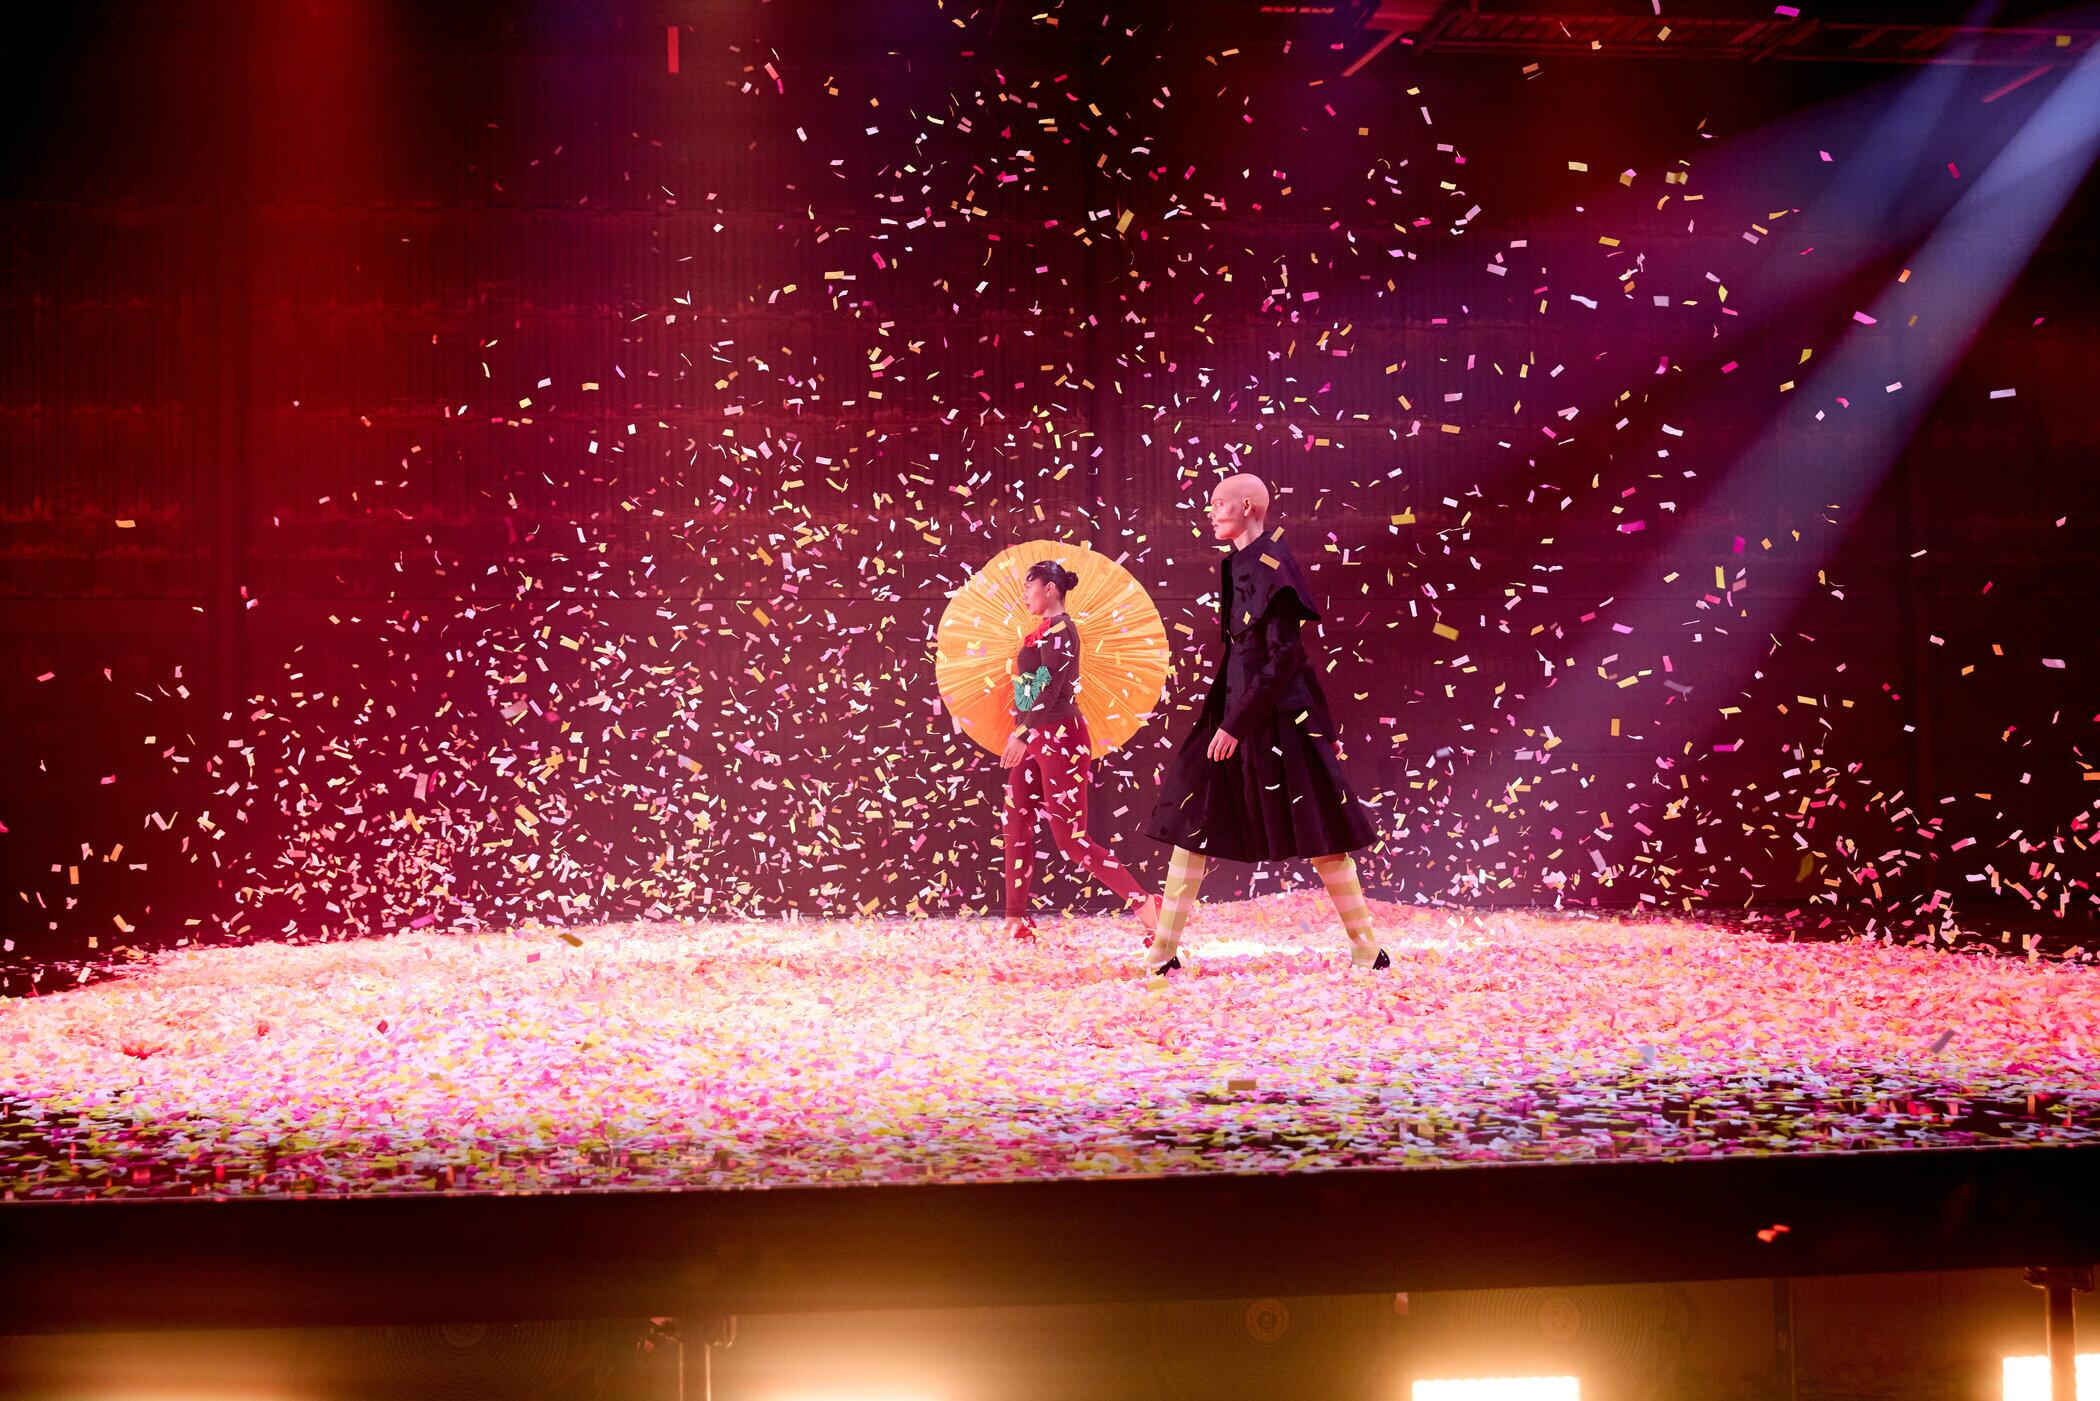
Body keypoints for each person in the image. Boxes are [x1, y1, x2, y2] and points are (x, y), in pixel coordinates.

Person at [1139, 474, 1389, 974]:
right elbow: (1242, 654)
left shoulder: (1275, 563)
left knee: (1322, 835)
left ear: (1248, 506)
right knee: (1192, 823)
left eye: (1219, 504)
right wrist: (1227, 719)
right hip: (1233, 714)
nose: (1211, 512)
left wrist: (1242, 723)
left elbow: (1286, 658)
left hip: (1277, 719)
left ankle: (1367, 949)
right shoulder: (1237, 562)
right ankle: (1163, 952)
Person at [1001, 559, 1163, 943]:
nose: (1025, 596)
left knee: (1071, 840)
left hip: (1061, 739)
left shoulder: (1063, 631)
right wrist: (1022, 728)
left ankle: (1146, 905)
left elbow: (1052, 690)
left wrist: (1022, 732)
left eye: (1029, 588)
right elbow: (1030, 689)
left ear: (1050, 589)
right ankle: (1015, 919)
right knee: (1016, 822)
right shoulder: (1041, 632)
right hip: (1035, 737)